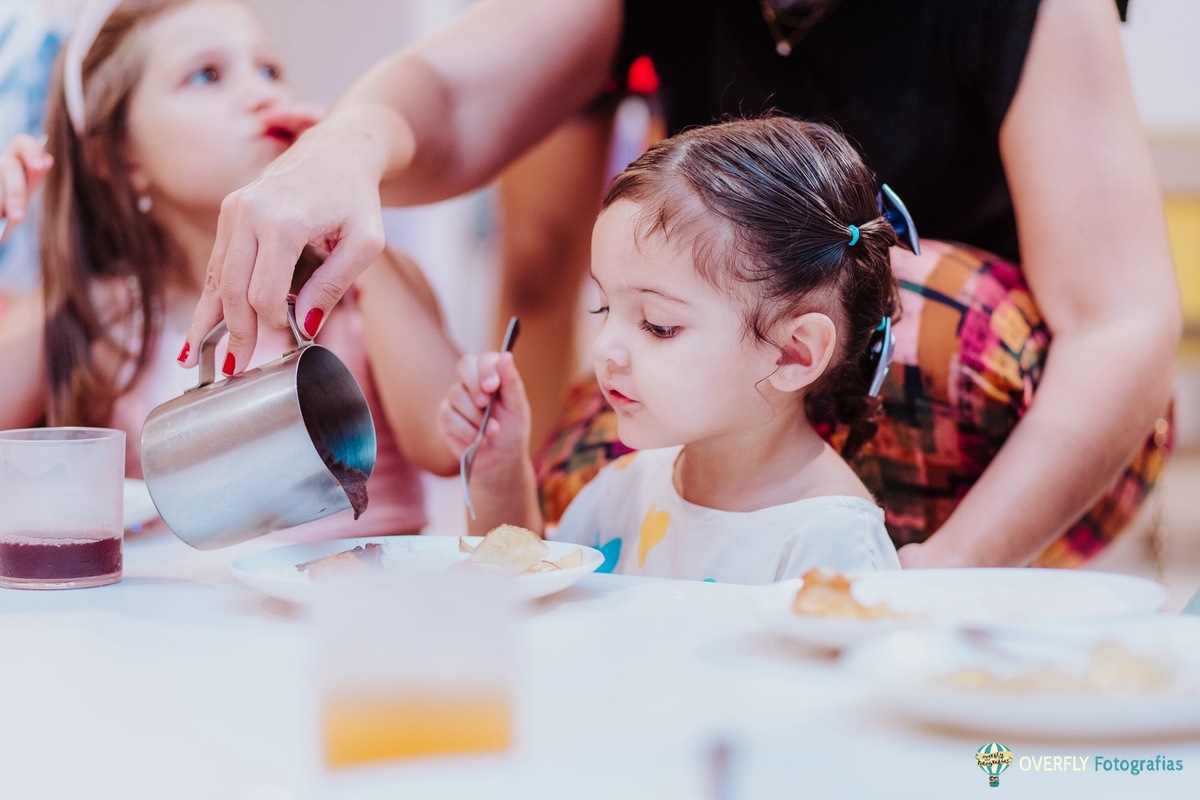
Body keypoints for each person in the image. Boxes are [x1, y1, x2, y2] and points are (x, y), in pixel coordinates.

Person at [183, 0, 1179, 568]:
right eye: (610, 310)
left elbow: (1123, 325)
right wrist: (339, 152)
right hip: (746, 368)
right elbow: (447, 97)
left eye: (646, 321)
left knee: (913, 300)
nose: (609, 337)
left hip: (996, 401)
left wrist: (939, 579)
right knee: (602, 460)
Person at [0, 0, 462, 540]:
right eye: (207, 75)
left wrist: (352, 207)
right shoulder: (98, 317)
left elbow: (451, 446)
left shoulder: (362, 286)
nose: (263, 93)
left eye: (269, 69)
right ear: (120, 158)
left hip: (356, 616)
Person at [440, 117, 902, 582]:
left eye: (658, 326)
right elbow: (532, 598)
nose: (604, 348)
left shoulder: (833, 546)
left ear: (793, 353)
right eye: (603, 308)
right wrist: (498, 472)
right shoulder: (624, 490)